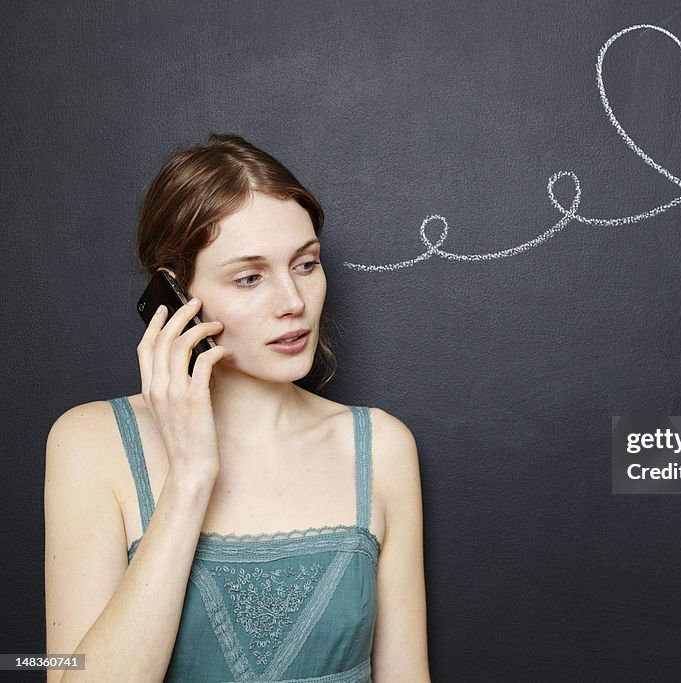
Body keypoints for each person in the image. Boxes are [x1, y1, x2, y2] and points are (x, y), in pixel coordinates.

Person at [44, 134, 430, 682]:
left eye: (305, 264)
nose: (293, 302)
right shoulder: (89, 443)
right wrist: (191, 478)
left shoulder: (381, 446)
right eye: (249, 277)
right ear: (174, 292)